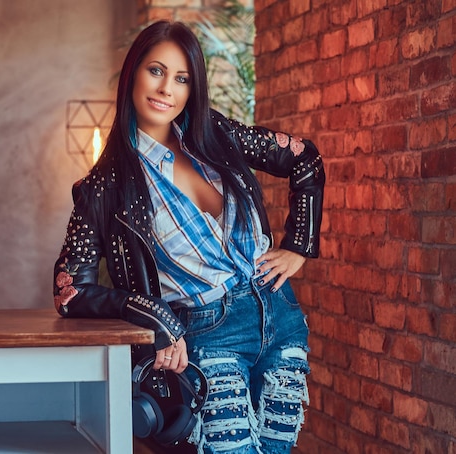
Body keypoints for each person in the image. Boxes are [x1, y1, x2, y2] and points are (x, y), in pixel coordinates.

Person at [53, 20, 325, 454]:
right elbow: (70, 292)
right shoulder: (103, 186)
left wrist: (299, 245)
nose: (167, 89)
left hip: (281, 316)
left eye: (181, 78)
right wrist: (154, 316)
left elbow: (304, 159)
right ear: (133, 74)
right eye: (156, 71)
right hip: (208, 333)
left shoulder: (215, 135)